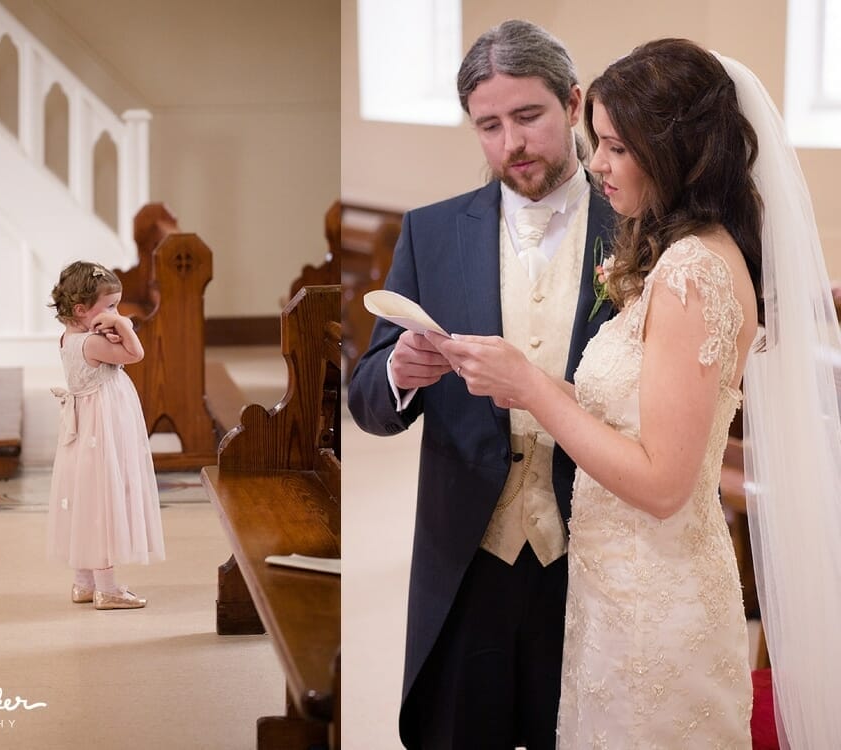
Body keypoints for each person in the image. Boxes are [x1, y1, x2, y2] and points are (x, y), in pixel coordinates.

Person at [435, 37, 841, 747]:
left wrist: (533, 390)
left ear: (675, 151)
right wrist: (525, 377)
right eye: (598, 142)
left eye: (617, 148)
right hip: (619, 589)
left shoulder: (692, 272)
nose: (596, 163)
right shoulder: (687, 252)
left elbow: (662, 485)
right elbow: (633, 417)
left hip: (658, 602)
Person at [347, 20, 616, 749]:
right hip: (467, 555)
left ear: (573, 103)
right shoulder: (430, 232)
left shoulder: (637, 231)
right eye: (489, 126)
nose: (511, 144)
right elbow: (367, 398)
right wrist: (397, 373)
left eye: (528, 116)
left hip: (596, 554)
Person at [47, 261, 166, 611]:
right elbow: (136, 354)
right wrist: (125, 326)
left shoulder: (72, 338)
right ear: (81, 310)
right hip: (103, 427)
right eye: (111, 306)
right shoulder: (91, 344)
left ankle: (84, 583)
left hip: (90, 425)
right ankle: (108, 588)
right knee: (103, 499)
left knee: (88, 497)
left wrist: (113, 329)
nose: (116, 313)